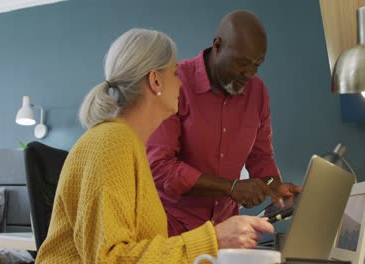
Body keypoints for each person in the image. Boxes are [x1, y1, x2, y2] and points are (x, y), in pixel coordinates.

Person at [35, 28, 274, 264]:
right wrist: (214, 240)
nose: (182, 84)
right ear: (155, 80)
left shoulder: (129, 144)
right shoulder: (111, 142)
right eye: (176, 74)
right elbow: (110, 259)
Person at [146, 10, 302, 236]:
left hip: (226, 231)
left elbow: (260, 157)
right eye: (242, 63)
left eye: (257, 65)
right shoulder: (176, 82)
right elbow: (160, 166)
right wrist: (230, 188)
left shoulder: (258, 92)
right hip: (172, 232)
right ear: (217, 46)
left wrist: (274, 186)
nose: (249, 74)